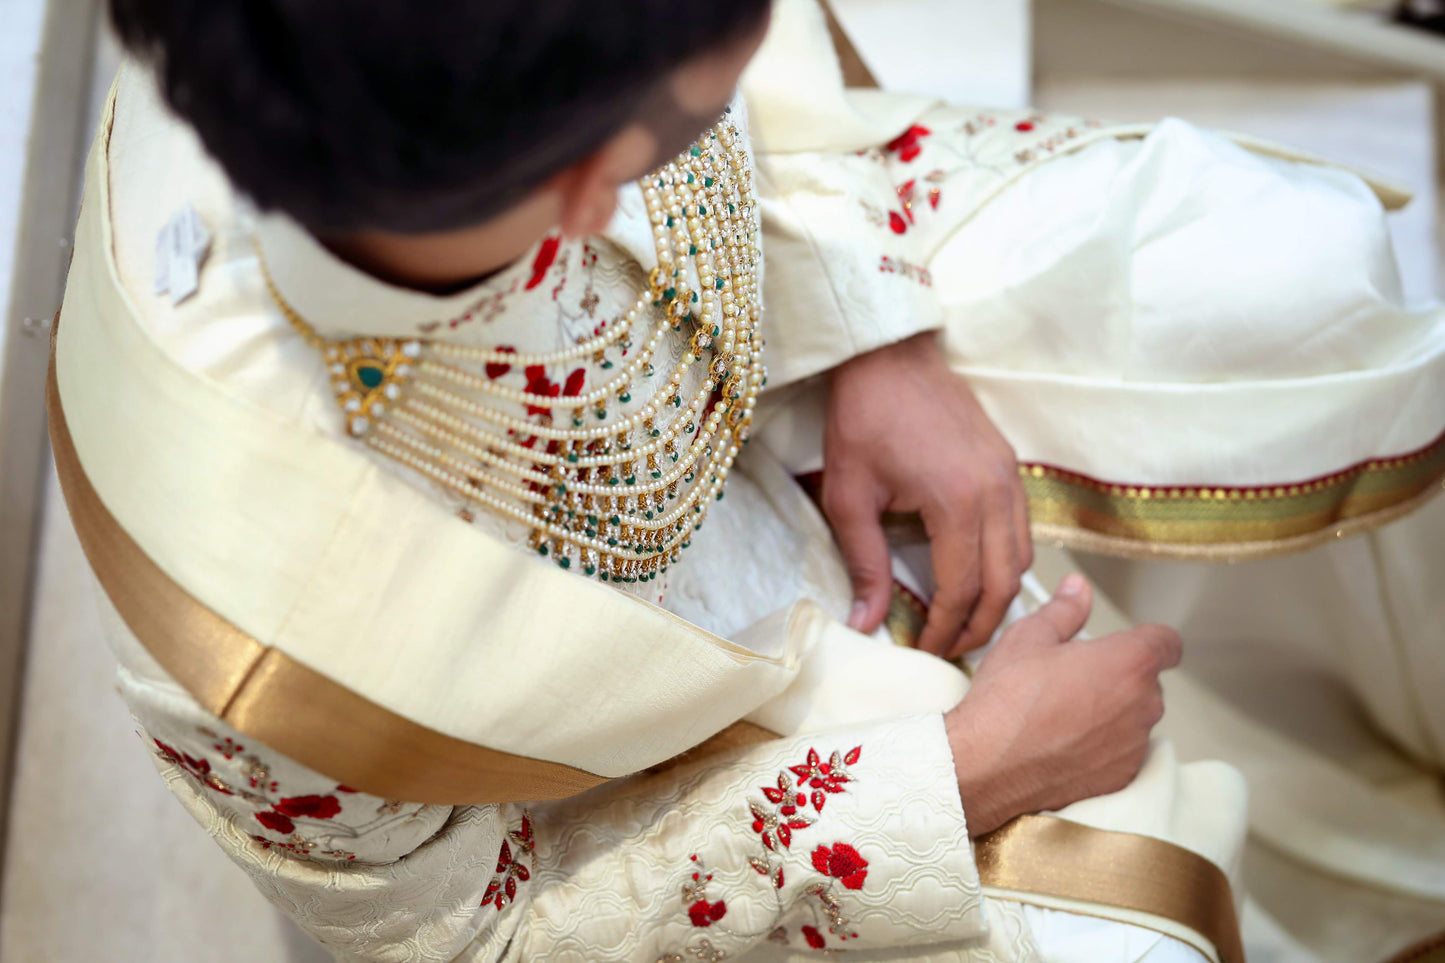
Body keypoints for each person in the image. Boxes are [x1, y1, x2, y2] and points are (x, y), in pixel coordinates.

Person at [47, 0, 1443, 960]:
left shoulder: (475, 81)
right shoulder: (257, 621)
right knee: (1110, 921)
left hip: (776, 290)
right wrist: (946, 782)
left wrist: (877, 326)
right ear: (599, 182)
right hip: (663, 703)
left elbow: (744, 113)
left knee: (1278, 276)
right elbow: (470, 935)